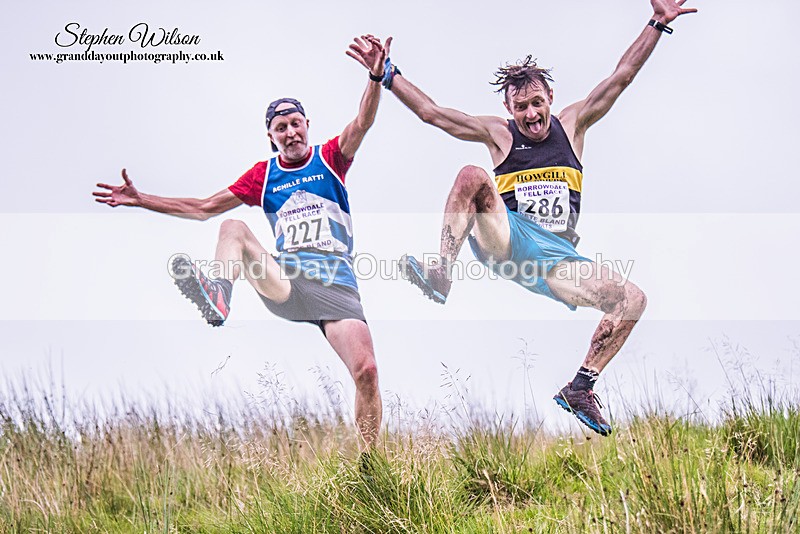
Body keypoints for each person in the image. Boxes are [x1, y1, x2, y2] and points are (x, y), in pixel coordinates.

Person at [352, 1, 696, 436]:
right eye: (521, 108)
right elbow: (433, 114)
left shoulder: (574, 124)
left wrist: (657, 24)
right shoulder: (499, 134)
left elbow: (622, 76)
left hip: (556, 259)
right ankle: (441, 273)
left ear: (550, 97)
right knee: (472, 175)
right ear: (508, 106)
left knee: (632, 299)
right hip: (508, 237)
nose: (531, 115)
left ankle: (581, 387)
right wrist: (388, 73)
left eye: (537, 103)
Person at [93, 36, 390, 450]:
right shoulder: (263, 176)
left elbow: (363, 121)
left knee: (368, 372)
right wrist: (142, 199)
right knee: (232, 226)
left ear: (307, 125)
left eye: (295, 124)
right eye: (280, 128)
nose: (289, 133)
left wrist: (376, 76)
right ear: (271, 137)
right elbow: (202, 207)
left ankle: (369, 466)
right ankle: (219, 294)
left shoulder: (331, 158)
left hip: (338, 288)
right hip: (287, 281)